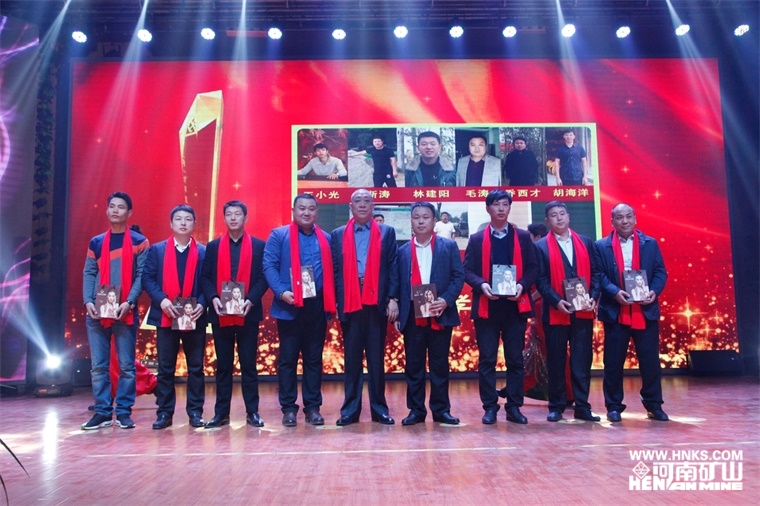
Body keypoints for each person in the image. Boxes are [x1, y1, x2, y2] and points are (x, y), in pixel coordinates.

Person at [464, 189, 538, 424]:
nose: (501, 209)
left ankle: (514, 406)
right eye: (496, 204)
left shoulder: (523, 237)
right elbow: (467, 270)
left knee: (515, 359)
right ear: (488, 208)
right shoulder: (477, 239)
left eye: (505, 204)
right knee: (487, 360)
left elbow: (534, 268)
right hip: (487, 307)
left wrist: (522, 285)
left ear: (509, 208)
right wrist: (482, 285)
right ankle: (490, 407)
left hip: (515, 307)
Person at [263, 194, 336, 427]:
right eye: (302, 208)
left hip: (317, 305)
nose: (306, 212)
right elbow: (269, 265)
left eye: (311, 209)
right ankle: (288, 409)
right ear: (293, 210)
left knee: (314, 359)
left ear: (316, 212)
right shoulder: (279, 235)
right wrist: (281, 292)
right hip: (290, 303)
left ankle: (312, 408)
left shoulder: (326, 238)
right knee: (288, 360)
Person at [594, 203, 668, 422]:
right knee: (613, 362)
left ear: (635, 218)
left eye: (628, 217)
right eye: (619, 217)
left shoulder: (650, 243)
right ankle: (613, 406)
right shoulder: (601, 246)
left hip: (645, 311)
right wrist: (615, 292)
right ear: (612, 221)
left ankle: (654, 405)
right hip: (615, 311)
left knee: (650, 362)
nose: (624, 221)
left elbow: (660, 272)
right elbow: (598, 275)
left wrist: (654, 291)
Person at [81, 191, 149, 430]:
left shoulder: (140, 242)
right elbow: (89, 272)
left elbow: (141, 276)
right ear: (107, 210)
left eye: (121, 207)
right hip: (97, 311)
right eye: (112, 206)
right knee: (98, 366)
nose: (115, 210)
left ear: (129, 212)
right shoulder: (97, 242)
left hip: (125, 311)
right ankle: (101, 412)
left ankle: (123, 412)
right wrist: (88, 301)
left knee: (127, 366)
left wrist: (128, 302)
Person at [331, 189, 399, 425]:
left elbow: (392, 266)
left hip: (376, 301)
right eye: (357, 201)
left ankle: (379, 409)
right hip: (350, 300)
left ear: (373, 206)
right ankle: (350, 411)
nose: (362, 205)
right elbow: (335, 271)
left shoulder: (386, 232)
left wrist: (393, 297)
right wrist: (337, 301)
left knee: (376, 359)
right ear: (350, 206)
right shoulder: (338, 234)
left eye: (366, 201)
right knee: (351, 359)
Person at [201, 200, 268, 428]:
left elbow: (263, 278)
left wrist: (251, 299)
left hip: (248, 313)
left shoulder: (259, 246)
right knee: (223, 366)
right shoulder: (213, 246)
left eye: (237, 214)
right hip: (221, 313)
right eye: (229, 214)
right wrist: (213, 298)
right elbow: (205, 277)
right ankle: (221, 414)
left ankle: (253, 413)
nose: (233, 218)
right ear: (224, 218)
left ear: (245, 218)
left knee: (248, 365)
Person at [396, 202, 465, 426]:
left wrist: (446, 300)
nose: (421, 221)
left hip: (440, 313)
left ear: (434, 221)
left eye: (426, 217)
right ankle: (416, 410)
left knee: (439, 364)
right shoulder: (402, 251)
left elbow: (458, 276)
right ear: (411, 221)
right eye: (416, 217)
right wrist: (397, 309)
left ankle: (441, 410)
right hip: (412, 315)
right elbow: (397, 283)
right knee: (413, 365)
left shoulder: (448, 246)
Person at [534, 201, 601, 422]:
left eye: (562, 214)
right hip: (556, 312)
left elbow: (597, 274)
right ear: (547, 221)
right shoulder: (540, 246)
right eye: (554, 215)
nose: (559, 218)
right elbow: (540, 280)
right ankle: (556, 406)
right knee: (556, 361)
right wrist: (556, 301)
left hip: (583, 312)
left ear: (568, 216)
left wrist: (593, 297)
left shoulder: (586, 242)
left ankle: (582, 406)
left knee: (582, 360)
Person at [142, 204, 207, 429]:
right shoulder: (157, 250)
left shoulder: (203, 251)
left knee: (196, 368)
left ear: (194, 223)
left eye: (187, 219)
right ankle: (164, 413)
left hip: (194, 316)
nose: (183, 223)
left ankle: (195, 412)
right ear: (171, 223)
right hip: (166, 315)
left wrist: (203, 303)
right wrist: (162, 300)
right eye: (178, 219)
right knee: (165, 368)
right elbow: (147, 278)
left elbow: (208, 281)